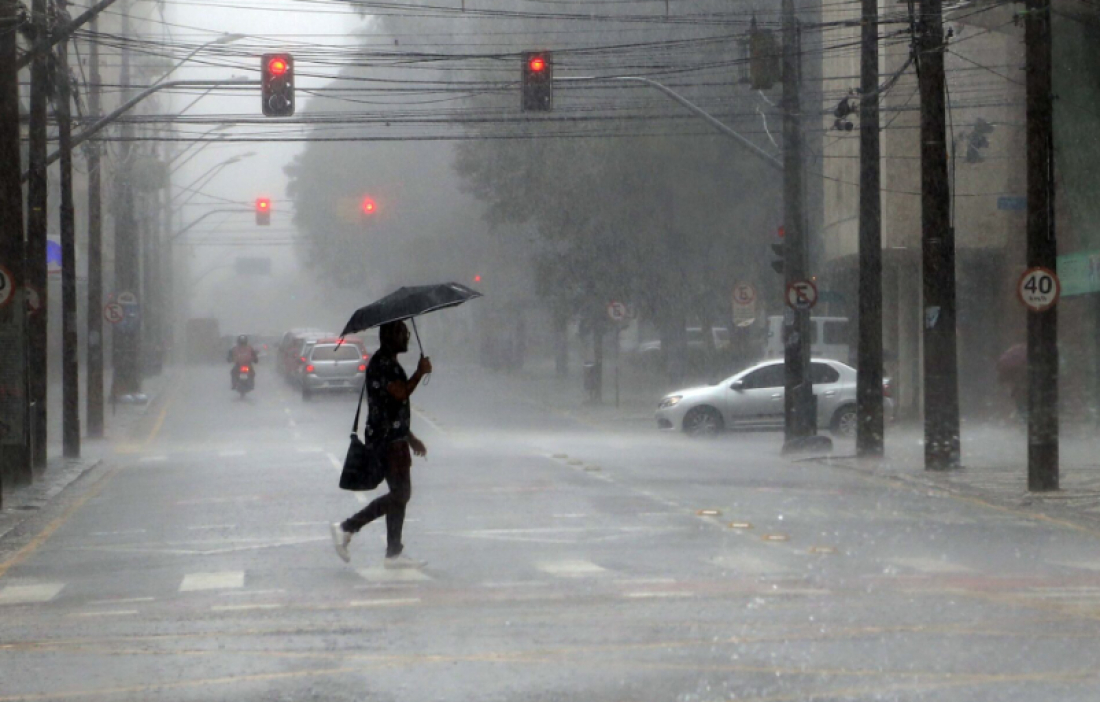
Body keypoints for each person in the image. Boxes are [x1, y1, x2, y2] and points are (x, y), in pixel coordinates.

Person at [331, 320, 431, 568]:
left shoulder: (388, 362)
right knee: (401, 494)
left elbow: (392, 408)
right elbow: (399, 393)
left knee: (400, 494)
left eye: (407, 333)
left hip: (394, 438)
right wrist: (420, 372)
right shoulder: (382, 364)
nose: (406, 337)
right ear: (389, 336)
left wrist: (410, 437)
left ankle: (394, 553)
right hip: (386, 441)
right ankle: (347, 527)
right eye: (402, 333)